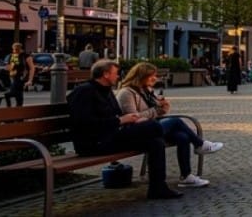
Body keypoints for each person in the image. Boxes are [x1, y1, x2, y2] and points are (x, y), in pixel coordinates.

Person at [67, 60, 182, 200]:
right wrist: (121, 121)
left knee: (155, 141)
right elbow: (84, 124)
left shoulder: (107, 91)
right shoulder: (84, 92)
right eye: (116, 73)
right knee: (154, 127)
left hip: (111, 136)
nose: (118, 77)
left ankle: (158, 188)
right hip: (93, 143)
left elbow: (118, 115)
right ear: (106, 74)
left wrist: (132, 119)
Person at [117, 61, 223, 188]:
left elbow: (157, 112)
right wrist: (155, 110)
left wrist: (163, 107)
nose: (155, 78)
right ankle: (199, 144)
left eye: (155, 75)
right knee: (176, 121)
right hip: (137, 130)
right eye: (151, 75)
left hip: (151, 126)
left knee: (182, 137)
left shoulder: (147, 91)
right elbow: (133, 117)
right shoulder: (127, 93)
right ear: (141, 76)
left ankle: (186, 176)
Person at [0, 42, 34, 108]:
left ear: (21, 49)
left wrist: (30, 80)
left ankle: (11, 108)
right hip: (13, 77)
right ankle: (14, 110)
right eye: (14, 49)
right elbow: (9, 67)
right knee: (18, 96)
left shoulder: (26, 56)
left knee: (16, 94)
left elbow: (32, 68)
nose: (15, 51)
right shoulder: (12, 56)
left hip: (21, 78)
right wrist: (7, 68)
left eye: (17, 50)